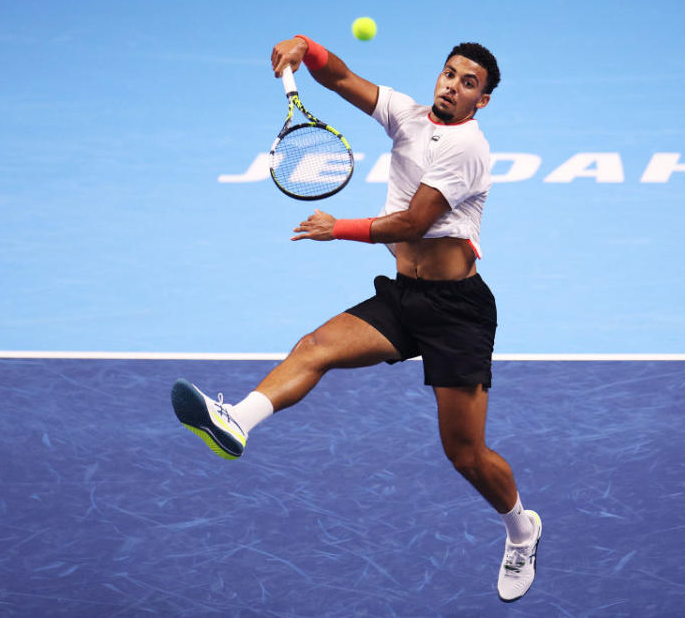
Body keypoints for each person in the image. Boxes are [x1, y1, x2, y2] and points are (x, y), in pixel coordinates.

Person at [170, 35, 540, 603]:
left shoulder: (468, 148)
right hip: (404, 298)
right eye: (449, 73)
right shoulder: (408, 116)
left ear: (481, 101)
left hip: (457, 314)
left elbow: (414, 222)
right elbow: (342, 79)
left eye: (469, 83)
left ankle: (521, 529)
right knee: (314, 345)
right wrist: (306, 49)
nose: (452, 85)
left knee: (464, 454)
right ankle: (236, 420)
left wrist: (336, 227)